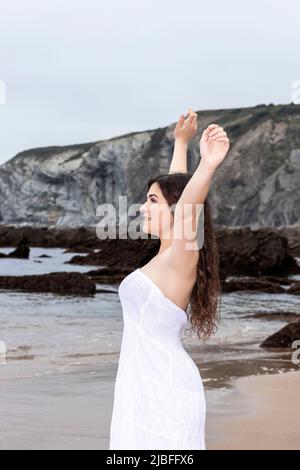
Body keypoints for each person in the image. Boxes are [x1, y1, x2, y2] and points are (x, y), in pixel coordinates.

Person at [109, 108, 230, 450]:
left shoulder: (182, 258)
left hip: (165, 390)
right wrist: (181, 143)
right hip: (144, 387)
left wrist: (208, 165)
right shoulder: (167, 255)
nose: (142, 208)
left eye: (151, 201)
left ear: (174, 211)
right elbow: (179, 189)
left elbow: (189, 203)